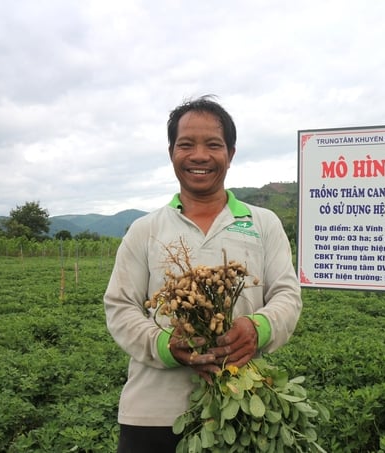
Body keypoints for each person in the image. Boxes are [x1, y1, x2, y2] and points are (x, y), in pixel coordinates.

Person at [103, 95, 302, 452]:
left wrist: (259, 328)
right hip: (153, 414)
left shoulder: (262, 223)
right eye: (186, 144)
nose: (199, 155)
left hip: (239, 410)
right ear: (171, 152)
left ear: (231, 153)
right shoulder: (144, 230)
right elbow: (120, 307)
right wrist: (165, 346)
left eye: (213, 144)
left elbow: (287, 295)